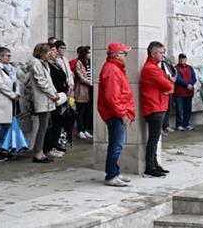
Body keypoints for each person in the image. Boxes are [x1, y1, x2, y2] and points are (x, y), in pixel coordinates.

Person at [97, 42, 136, 186]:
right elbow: (111, 97)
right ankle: (111, 175)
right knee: (116, 145)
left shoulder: (114, 68)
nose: (126, 56)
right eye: (124, 53)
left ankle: (114, 172)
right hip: (115, 113)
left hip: (116, 112)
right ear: (116, 55)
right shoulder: (112, 69)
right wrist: (122, 114)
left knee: (116, 144)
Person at [140, 41, 174, 177]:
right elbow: (168, 85)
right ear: (153, 54)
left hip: (157, 105)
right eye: (161, 52)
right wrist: (169, 82)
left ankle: (154, 164)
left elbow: (169, 86)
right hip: (154, 106)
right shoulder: (151, 68)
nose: (163, 55)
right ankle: (150, 167)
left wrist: (168, 84)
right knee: (153, 138)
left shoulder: (154, 67)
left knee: (155, 137)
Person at [28, 43, 60, 163]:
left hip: (47, 98)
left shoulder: (43, 63)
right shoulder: (37, 63)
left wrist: (54, 93)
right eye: (47, 52)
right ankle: (38, 153)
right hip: (43, 98)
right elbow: (42, 82)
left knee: (44, 126)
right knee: (42, 127)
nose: (50, 54)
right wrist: (53, 95)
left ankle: (39, 151)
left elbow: (47, 82)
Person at [74, 46, 94, 140]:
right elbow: (80, 76)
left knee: (88, 111)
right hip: (82, 89)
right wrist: (90, 82)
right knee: (81, 110)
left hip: (91, 90)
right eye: (88, 52)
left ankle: (85, 129)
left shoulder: (91, 62)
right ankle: (80, 130)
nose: (90, 54)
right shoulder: (79, 62)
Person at [173, 53, 196, 131]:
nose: (182, 60)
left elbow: (194, 78)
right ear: (179, 59)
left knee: (187, 109)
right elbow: (178, 79)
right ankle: (179, 124)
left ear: (186, 59)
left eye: (183, 58)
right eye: (180, 58)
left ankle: (186, 124)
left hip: (189, 92)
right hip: (179, 92)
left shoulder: (190, 67)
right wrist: (187, 85)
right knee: (179, 109)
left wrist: (191, 84)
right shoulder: (175, 68)